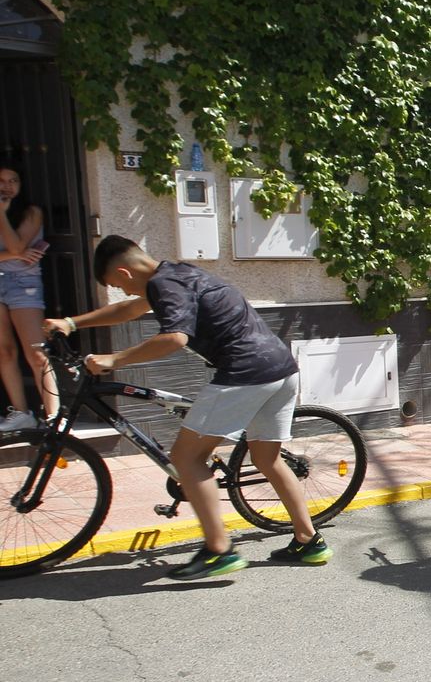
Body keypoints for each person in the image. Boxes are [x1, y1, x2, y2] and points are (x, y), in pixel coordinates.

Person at [43, 235, 322, 580]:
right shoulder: (179, 273)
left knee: (186, 458)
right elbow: (129, 310)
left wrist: (114, 359)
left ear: (124, 272)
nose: (124, 292)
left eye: (118, 285)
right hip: (281, 367)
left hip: (245, 372)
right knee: (267, 459)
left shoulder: (162, 284)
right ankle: (309, 541)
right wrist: (71, 323)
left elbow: (174, 338)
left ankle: (218, 550)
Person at [0, 162, 57, 431]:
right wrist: (15, 255)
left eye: (13, 181)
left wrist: (1, 214)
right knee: (4, 352)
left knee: (36, 352)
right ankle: (22, 413)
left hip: (24, 285)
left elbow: (17, 245)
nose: (7, 186)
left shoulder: (32, 212)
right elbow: (16, 252)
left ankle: (55, 416)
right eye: (1, 181)